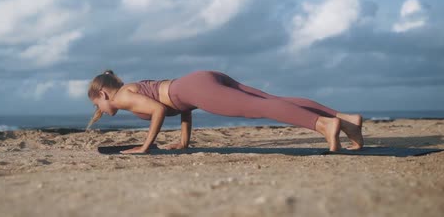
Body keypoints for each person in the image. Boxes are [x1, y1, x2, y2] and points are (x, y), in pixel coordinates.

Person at [86, 69, 363, 154]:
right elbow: (181, 106)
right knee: (270, 98)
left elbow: (158, 109)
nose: (99, 109)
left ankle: (323, 125)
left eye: (96, 105)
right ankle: (345, 120)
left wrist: (146, 146)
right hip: (199, 81)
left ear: (103, 94)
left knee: (260, 106)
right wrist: (184, 141)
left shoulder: (122, 97)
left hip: (193, 89)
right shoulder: (133, 88)